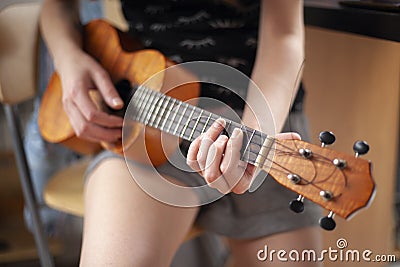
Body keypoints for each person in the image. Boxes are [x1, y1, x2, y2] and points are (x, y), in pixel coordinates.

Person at [39, 0, 322, 266]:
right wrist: (67, 59)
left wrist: (254, 133)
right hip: (145, 126)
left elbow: (284, 34)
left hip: (262, 125)